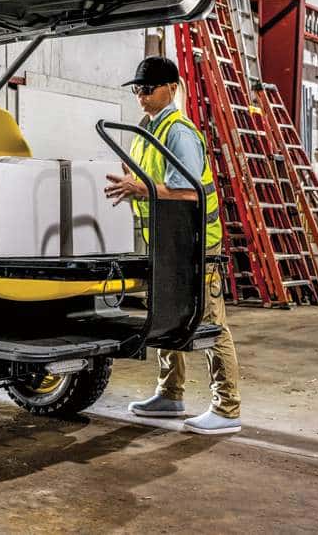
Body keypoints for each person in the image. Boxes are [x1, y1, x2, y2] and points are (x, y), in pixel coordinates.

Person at [104, 56, 241, 435]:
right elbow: (151, 184)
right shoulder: (148, 130)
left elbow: (188, 193)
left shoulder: (178, 131)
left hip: (197, 247)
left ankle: (227, 408)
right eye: (137, 89)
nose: (141, 96)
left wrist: (139, 188)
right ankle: (170, 394)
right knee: (167, 318)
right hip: (168, 247)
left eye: (148, 89)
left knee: (211, 325)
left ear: (172, 88)